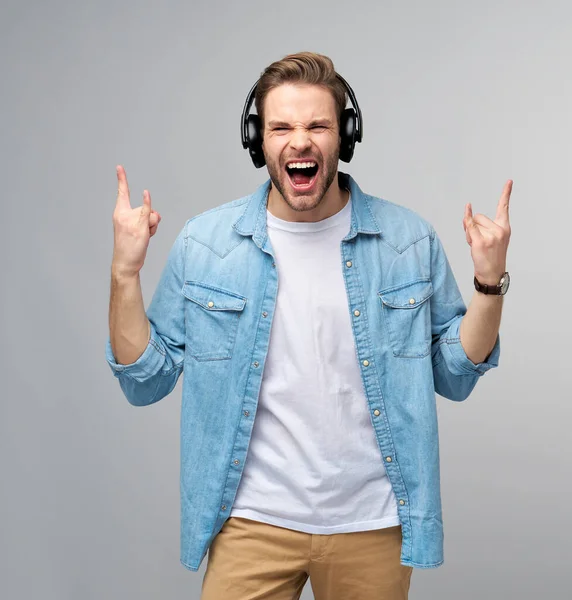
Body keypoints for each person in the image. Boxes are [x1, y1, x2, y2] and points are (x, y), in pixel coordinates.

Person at [106, 51, 511, 600]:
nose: (300, 141)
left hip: (373, 524)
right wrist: (125, 273)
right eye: (281, 127)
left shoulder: (406, 241)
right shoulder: (206, 244)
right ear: (259, 142)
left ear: (344, 135)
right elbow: (144, 380)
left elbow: (456, 375)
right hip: (251, 520)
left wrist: (489, 283)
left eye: (318, 125)